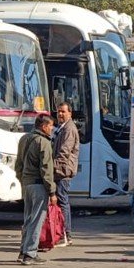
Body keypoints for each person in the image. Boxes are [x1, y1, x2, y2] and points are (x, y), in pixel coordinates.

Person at [15, 113, 56, 265]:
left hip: (26, 184)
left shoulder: (24, 139)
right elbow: (46, 169)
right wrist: (51, 191)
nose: (52, 128)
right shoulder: (43, 142)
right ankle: (30, 253)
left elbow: (18, 164)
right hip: (39, 185)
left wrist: (23, 180)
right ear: (44, 126)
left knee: (28, 219)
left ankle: (22, 251)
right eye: (50, 125)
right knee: (37, 220)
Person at [53, 102, 80, 246]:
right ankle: (61, 233)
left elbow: (64, 152)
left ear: (70, 113)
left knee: (63, 202)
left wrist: (52, 167)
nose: (60, 114)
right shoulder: (61, 128)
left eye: (63, 112)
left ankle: (66, 234)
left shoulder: (69, 129)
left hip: (63, 171)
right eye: (58, 112)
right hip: (60, 170)